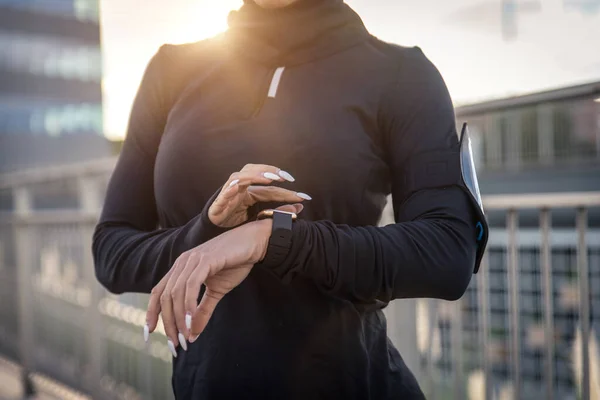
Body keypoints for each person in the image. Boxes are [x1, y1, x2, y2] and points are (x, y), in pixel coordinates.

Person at [92, 0, 489, 398]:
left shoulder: (402, 74)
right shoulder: (172, 70)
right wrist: (205, 233)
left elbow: (448, 252)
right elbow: (111, 251)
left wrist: (275, 238)